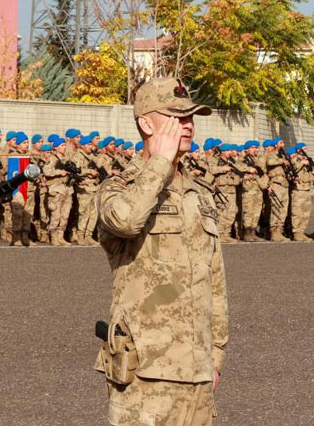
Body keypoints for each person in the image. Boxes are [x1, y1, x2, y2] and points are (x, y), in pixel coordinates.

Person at [95, 77, 227, 425]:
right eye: (176, 116)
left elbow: (214, 279)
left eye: (191, 117)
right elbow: (124, 220)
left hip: (197, 373)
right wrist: (160, 163)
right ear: (146, 122)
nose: (187, 125)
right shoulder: (119, 187)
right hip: (146, 375)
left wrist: (215, 356)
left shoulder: (199, 194)